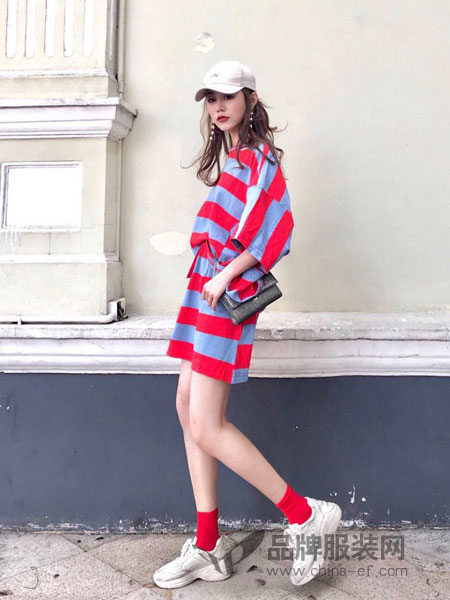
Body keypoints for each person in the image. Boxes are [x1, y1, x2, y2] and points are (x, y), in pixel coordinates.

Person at [154, 60, 342, 589]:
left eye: (228, 97)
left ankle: (304, 514)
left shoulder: (259, 160)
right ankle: (208, 545)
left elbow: (275, 230)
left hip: (224, 295)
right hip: (204, 292)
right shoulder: (235, 161)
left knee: (206, 423)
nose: (218, 107)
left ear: (250, 100)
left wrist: (225, 275)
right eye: (211, 99)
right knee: (187, 408)